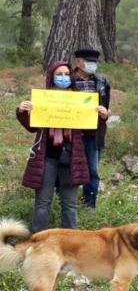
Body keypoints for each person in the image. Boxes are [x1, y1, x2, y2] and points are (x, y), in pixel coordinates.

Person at [16, 62, 107, 231]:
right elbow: (31, 127)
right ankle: (38, 241)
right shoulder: (43, 99)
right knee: (43, 202)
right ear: (52, 76)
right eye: (59, 74)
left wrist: (101, 117)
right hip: (47, 157)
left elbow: (89, 131)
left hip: (72, 159)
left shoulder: (80, 100)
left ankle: (70, 244)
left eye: (66, 74)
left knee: (70, 204)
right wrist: (22, 111)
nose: (63, 78)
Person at [71, 48, 110, 209]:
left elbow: (106, 105)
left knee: (92, 171)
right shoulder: (68, 80)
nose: (92, 65)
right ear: (78, 63)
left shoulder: (102, 82)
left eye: (95, 62)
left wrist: (105, 113)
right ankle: (66, 202)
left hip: (93, 134)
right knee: (67, 169)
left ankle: (89, 204)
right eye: (89, 62)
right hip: (71, 133)